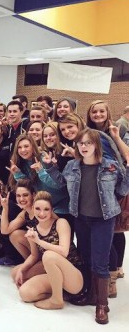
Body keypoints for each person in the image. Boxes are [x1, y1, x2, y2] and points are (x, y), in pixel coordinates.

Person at [44, 128, 129, 324]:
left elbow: (123, 189)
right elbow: (61, 184)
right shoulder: (72, 166)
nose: (84, 146)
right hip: (81, 219)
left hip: (103, 220)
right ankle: (91, 294)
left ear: (96, 145)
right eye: (81, 143)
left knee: (100, 261)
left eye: (88, 143)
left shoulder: (111, 167)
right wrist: (49, 168)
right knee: (86, 256)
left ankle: (102, 304)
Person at [11, 191, 84, 310]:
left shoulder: (61, 223)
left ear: (51, 210)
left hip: (74, 276)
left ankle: (57, 300)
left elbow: (64, 252)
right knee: (24, 290)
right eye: (38, 209)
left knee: (49, 255)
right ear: (33, 208)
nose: (41, 213)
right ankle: (62, 293)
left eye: (46, 209)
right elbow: (34, 256)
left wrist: (39, 241)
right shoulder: (33, 230)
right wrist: (22, 271)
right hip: (53, 271)